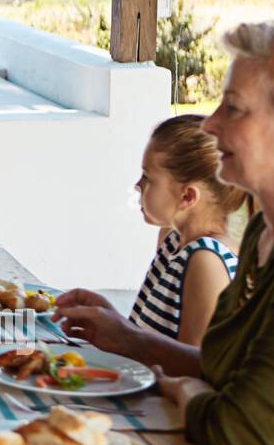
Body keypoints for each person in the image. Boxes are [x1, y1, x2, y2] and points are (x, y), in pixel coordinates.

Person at [57, 20, 274, 445]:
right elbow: (225, 371)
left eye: (234, 108)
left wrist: (183, 392)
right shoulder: (265, 231)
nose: (210, 124)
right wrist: (132, 340)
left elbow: (238, 432)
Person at [55, 115, 243, 350]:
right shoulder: (173, 240)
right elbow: (154, 340)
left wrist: (123, 333)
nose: (137, 185)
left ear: (187, 196)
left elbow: (195, 367)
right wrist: (113, 320)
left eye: (148, 177)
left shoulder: (207, 261)